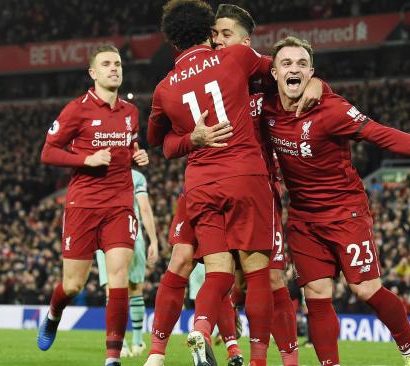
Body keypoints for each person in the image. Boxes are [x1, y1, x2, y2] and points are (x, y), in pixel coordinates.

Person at [260, 36, 410, 366]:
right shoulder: (266, 107)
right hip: (303, 218)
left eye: (302, 64)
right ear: (273, 72)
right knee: (315, 295)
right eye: (286, 63)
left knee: (365, 289)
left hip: (345, 212)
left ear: (311, 72)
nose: (294, 69)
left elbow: (380, 133)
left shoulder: (331, 109)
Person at [148, 4, 323, 366]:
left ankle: (233, 340)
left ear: (246, 39)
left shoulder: (258, 82)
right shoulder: (234, 62)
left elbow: (291, 72)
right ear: (207, 34)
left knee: (260, 277)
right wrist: (192, 139)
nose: (221, 38)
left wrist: (317, 82)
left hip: (222, 182)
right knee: (197, 263)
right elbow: (161, 143)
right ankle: (163, 352)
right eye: (217, 33)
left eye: (228, 33)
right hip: (235, 179)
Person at [37, 44, 149, 366]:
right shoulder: (76, 110)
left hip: (119, 205)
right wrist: (85, 159)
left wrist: (138, 154)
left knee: (119, 278)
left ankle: (112, 357)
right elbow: (48, 152)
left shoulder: (130, 112)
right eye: (106, 64)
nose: (114, 68)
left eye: (117, 63)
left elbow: (130, 144)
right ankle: (54, 312)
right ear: (93, 73)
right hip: (83, 205)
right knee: (73, 285)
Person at [95, 168, 159, 357]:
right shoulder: (136, 176)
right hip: (132, 232)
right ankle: (138, 342)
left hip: (104, 233)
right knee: (135, 287)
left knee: (111, 290)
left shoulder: (99, 172)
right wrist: (154, 240)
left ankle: (118, 344)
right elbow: (145, 208)